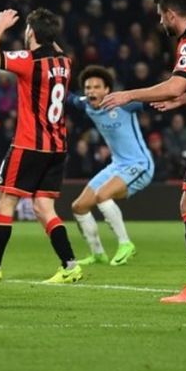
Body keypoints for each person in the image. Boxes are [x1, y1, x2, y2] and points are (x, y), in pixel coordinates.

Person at [101, 0, 186, 303]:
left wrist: (128, 94)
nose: (160, 22)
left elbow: (173, 84)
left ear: (171, 13)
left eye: (161, 16)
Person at [0, 8, 82, 284]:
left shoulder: (29, 61)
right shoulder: (65, 62)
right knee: (43, 207)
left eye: (28, 29)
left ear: (31, 33)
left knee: (6, 201)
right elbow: (54, 47)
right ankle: (70, 265)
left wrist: (0, 26)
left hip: (29, 145)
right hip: (57, 147)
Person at [67, 65, 154, 266]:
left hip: (140, 164)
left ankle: (126, 244)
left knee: (102, 195)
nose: (91, 92)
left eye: (97, 87)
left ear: (107, 90)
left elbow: (154, 102)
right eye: (88, 88)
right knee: (78, 207)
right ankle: (98, 253)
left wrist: (181, 97)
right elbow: (68, 97)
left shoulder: (123, 105)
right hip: (117, 165)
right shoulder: (86, 104)